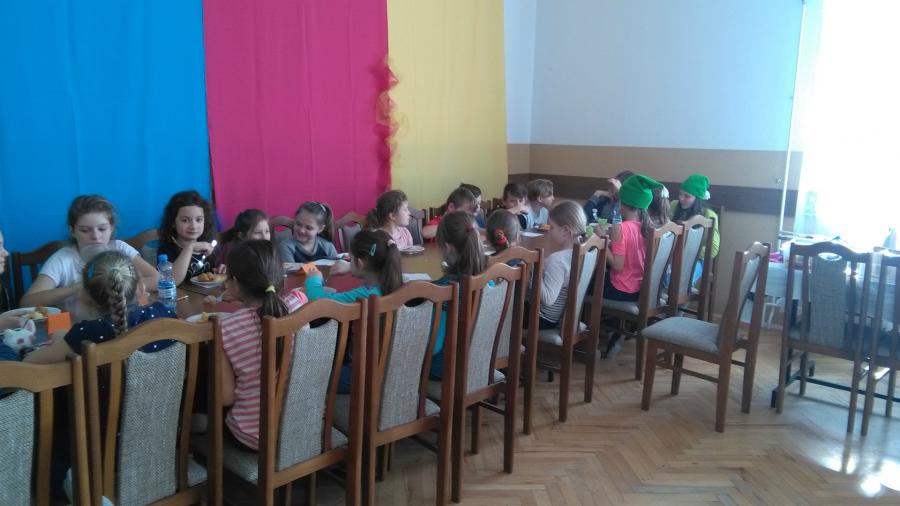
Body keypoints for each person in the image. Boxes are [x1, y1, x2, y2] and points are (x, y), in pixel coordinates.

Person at [218, 240, 308, 450]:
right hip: (303, 427)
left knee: (210, 419)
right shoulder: (299, 303)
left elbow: (225, 398)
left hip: (254, 438)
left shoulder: (226, 329)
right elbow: (296, 295)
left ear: (235, 283)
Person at [25, 251, 177, 364]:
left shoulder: (85, 334)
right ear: (142, 289)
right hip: (167, 397)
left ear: (84, 296)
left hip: (103, 400)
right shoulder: (164, 314)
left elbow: (29, 363)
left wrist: (61, 337)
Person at [21, 195, 159, 318]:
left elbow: (158, 279)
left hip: (123, 323)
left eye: (102, 229)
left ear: (111, 228)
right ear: (72, 231)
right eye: (85, 230)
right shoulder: (63, 259)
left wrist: (115, 284)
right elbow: (27, 302)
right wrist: (79, 286)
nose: (95, 236)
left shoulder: (119, 247)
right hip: (75, 328)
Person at [431, 212, 486, 378]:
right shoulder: (489, 281)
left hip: (445, 368)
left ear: (448, 247)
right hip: (479, 361)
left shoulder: (445, 291)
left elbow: (434, 346)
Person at [304, 229, 402, 303]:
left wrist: (314, 279)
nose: (349, 262)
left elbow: (318, 301)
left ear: (360, 264)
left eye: (350, 259)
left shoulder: (364, 295)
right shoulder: (395, 283)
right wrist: (350, 267)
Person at [536, 201, 586, 329]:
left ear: (565, 230)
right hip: (559, 317)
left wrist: (536, 271)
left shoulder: (558, 260)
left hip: (543, 319)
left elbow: (548, 299)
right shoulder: (582, 252)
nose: (549, 232)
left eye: (551, 227)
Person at [156, 190, 220, 285]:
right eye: (185, 220)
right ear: (173, 222)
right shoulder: (166, 251)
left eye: (198, 220)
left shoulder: (207, 246)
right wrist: (190, 247)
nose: (193, 226)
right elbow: (171, 280)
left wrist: (219, 270)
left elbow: (212, 273)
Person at [669, 173, 720, 284]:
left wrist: (686, 251)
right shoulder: (673, 205)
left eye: (687, 196)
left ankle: (680, 293)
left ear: (697, 199)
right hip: (671, 255)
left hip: (696, 259)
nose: (681, 198)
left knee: (679, 278)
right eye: (680, 194)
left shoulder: (709, 215)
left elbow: (713, 249)